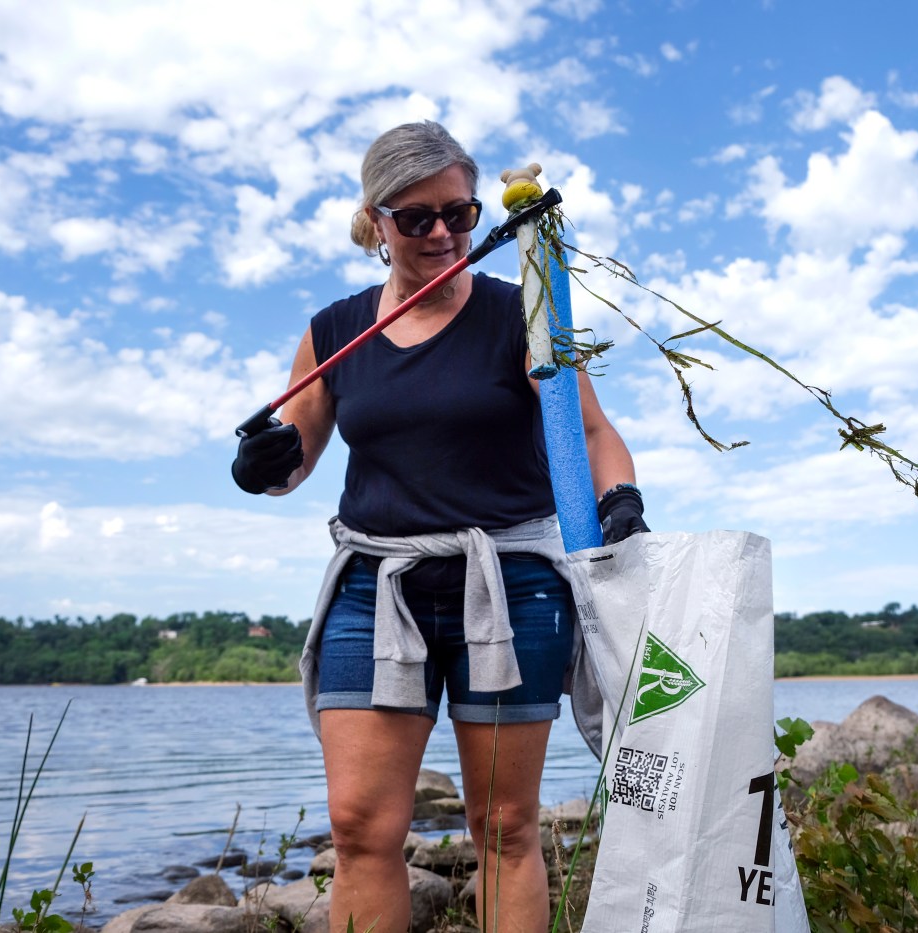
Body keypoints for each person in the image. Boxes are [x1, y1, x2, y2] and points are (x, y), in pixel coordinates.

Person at [231, 120, 649, 933]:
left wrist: (621, 499)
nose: (440, 233)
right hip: (376, 589)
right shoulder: (334, 330)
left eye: (458, 214)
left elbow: (593, 432)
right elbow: (293, 459)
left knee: (504, 826)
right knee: (360, 827)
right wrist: (262, 464)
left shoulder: (523, 312)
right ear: (376, 222)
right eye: (415, 217)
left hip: (511, 584)